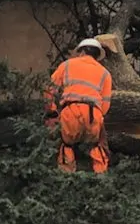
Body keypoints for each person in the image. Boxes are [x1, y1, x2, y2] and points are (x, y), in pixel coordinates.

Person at [44, 38, 113, 174]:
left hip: (71, 111)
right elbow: (105, 104)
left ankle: (66, 177)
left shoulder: (67, 65)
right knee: (97, 146)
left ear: (81, 51)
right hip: (94, 114)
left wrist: (51, 111)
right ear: (97, 55)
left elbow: (49, 89)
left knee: (67, 144)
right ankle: (101, 179)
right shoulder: (105, 73)